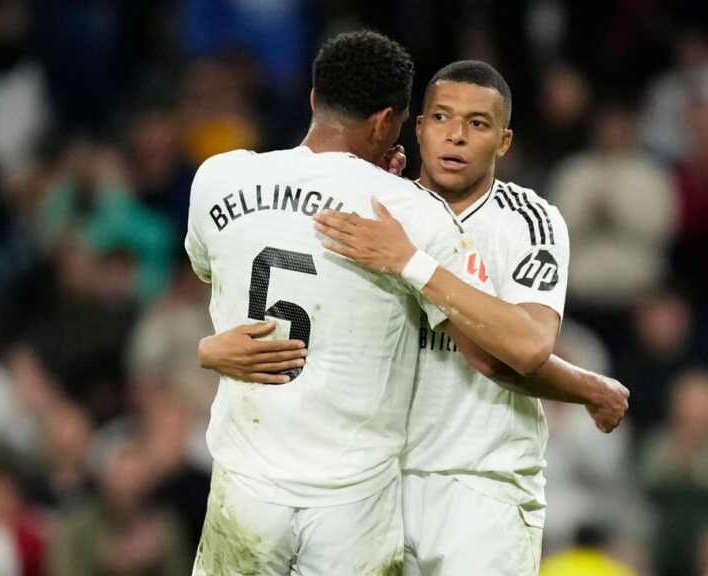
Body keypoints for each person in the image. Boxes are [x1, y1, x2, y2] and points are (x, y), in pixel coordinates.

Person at [201, 60, 630, 575]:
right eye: (442, 118)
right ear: (418, 128)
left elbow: (526, 346)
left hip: (480, 483)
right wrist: (209, 349)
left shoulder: (527, 221)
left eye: (478, 123)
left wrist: (411, 262)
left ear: (504, 142)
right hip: (378, 484)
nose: (456, 135)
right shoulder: (375, 206)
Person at [184, 31, 492, 574]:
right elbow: (482, 342)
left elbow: (212, 272)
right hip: (353, 500)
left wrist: (208, 350)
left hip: (247, 483)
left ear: (313, 99)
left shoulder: (218, 176)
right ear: (385, 122)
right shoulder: (411, 215)